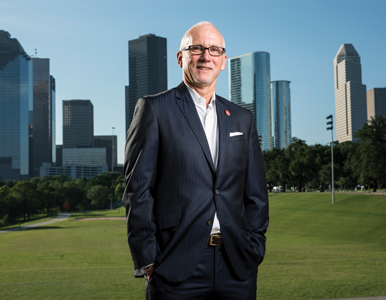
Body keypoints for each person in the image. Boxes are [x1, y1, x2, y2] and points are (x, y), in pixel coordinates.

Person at [122, 21, 269, 300]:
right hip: (176, 265)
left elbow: (256, 194)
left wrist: (255, 247)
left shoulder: (242, 118)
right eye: (198, 48)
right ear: (181, 57)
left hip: (237, 266)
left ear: (223, 61)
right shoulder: (154, 110)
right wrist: (149, 261)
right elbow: (137, 192)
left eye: (214, 50)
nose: (206, 56)